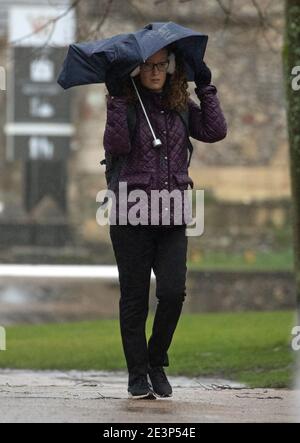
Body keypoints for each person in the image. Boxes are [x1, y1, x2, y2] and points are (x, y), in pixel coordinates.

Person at [103, 44, 227, 399]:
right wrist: (114, 101)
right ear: (137, 70)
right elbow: (115, 146)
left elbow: (215, 131)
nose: (155, 72)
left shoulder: (180, 108)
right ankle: (137, 373)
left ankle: (156, 361)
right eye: (148, 66)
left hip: (173, 214)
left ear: (171, 68)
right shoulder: (126, 106)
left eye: (162, 65)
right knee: (135, 299)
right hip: (132, 216)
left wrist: (205, 87)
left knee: (173, 293)